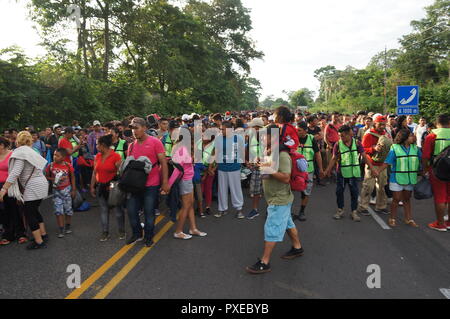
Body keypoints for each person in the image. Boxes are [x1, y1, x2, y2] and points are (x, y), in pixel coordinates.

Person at [246, 125, 304, 274]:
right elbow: (269, 168)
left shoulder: (282, 155)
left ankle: (265, 262)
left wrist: (268, 169)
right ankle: (297, 248)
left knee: (272, 228)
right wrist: (259, 164)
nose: (262, 139)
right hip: (275, 197)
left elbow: (285, 177)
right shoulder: (270, 151)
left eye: (265, 136)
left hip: (280, 199)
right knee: (287, 224)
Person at [0, 131, 49, 250]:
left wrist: (4, 188)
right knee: (35, 211)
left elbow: (15, 173)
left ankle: (39, 241)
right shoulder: (31, 151)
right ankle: (43, 234)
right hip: (41, 183)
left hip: (32, 186)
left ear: (18, 140)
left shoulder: (21, 153)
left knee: (29, 213)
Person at [126, 117, 170, 247]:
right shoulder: (131, 145)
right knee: (131, 211)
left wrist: (165, 182)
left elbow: (163, 163)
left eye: (136, 128)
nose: (134, 131)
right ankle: (137, 234)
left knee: (149, 212)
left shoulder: (155, 142)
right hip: (135, 185)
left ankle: (149, 236)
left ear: (144, 128)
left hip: (151, 184)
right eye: (132, 128)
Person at [325, 125, 376, 221]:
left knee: (354, 193)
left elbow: (364, 156)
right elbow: (334, 158)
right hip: (342, 173)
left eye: (343, 136)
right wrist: (327, 171)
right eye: (340, 136)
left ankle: (354, 212)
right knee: (339, 192)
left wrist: (372, 168)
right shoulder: (338, 144)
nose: (341, 138)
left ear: (349, 134)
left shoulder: (357, 143)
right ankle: (340, 210)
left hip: (353, 173)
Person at [378, 129, 421, 228]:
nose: (413, 137)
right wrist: (377, 171)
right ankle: (392, 218)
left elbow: (422, 159)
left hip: (410, 178)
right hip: (396, 178)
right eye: (410, 135)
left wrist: (425, 170)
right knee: (396, 199)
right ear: (404, 138)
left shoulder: (415, 148)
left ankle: (409, 219)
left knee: (407, 199)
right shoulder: (395, 148)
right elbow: (387, 162)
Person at [169, 131, 207, 239]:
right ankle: (178, 231)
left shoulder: (184, 149)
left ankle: (193, 228)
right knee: (186, 206)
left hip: (188, 179)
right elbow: (177, 170)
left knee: (190, 204)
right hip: (185, 180)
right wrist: (169, 185)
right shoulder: (181, 150)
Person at [90, 135, 125, 241]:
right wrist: (92, 186)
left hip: (113, 186)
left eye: (97, 144)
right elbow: (94, 172)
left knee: (118, 210)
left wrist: (117, 186)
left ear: (103, 145)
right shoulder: (97, 156)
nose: (96, 146)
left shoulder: (116, 156)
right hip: (100, 186)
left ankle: (121, 230)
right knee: (104, 210)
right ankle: (105, 232)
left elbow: (121, 173)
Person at [422, 114, 450, 232]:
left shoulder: (432, 135)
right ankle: (448, 223)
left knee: (440, 196)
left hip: (438, 170)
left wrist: (425, 170)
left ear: (437, 123)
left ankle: (440, 224)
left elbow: (425, 156)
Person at [358, 116, 389, 216]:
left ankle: (381, 206)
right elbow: (362, 149)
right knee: (368, 186)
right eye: (380, 124)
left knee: (382, 186)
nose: (382, 126)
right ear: (375, 124)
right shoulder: (368, 134)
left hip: (382, 164)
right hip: (371, 163)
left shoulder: (386, 134)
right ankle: (363, 206)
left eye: (384, 124)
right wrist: (373, 149)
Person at [214, 121, 245, 219]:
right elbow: (217, 152)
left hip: (234, 167)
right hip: (222, 167)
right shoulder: (218, 138)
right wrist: (214, 166)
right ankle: (222, 209)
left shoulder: (238, 138)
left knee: (236, 189)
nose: (221, 131)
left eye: (222, 129)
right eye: (221, 129)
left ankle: (239, 209)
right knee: (222, 189)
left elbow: (242, 151)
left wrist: (242, 162)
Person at [294, 121, 324, 221]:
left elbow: (317, 154)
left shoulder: (311, 139)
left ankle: (302, 211)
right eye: (296, 130)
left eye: (299, 130)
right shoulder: (293, 139)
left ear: (306, 131)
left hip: (308, 170)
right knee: (289, 189)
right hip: (294, 170)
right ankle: (287, 211)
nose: (297, 132)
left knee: (306, 191)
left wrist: (320, 169)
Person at [0, 137, 27, 245]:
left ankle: (21, 233)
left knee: (15, 209)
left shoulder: (13, 154)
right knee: (3, 211)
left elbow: (17, 171)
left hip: (11, 185)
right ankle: (8, 234)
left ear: (2, 145)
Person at [45, 148, 76, 237]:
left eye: (57, 156)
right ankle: (61, 229)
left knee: (68, 210)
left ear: (63, 157)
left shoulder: (68, 165)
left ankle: (68, 226)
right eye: (54, 155)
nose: (55, 157)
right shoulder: (50, 166)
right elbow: (46, 177)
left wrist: (74, 189)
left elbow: (73, 177)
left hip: (67, 190)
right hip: (56, 192)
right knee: (58, 211)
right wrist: (54, 179)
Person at [246, 118, 265, 219]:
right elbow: (249, 149)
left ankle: (270, 210)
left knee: (268, 189)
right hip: (256, 167)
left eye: (252, 126)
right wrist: (248, 161)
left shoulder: (267, 137)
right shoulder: (251, 136)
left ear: (257, 127)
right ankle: (255, 209)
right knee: (255, 190)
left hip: (266, 167)